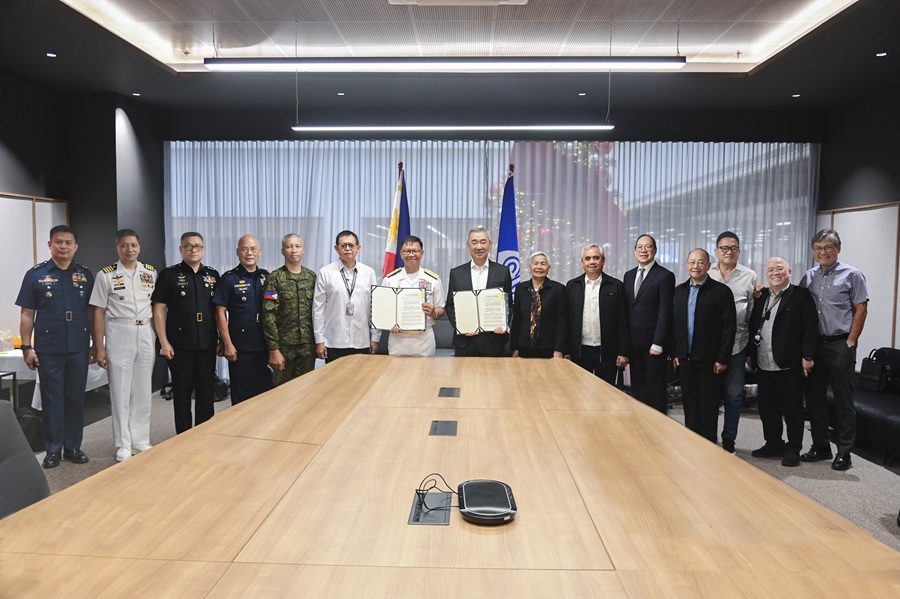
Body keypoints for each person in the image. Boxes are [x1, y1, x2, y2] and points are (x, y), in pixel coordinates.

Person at [16, 225, 95, 469]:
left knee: (75, 398)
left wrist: (95, 345)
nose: (63, 247)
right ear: (50, 244)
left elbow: (92, 313)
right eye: (58, 242)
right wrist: (26, 347)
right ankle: (52, 449)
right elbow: (27, 314)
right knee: (52, 399)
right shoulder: (36, 274)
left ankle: (73, 447)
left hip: (78, 346)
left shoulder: (85, 275)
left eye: (68, 243)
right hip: (49, 348)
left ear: (75, 246)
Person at [799, 229, 868, 470]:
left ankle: (844, 452)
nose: (823, 252)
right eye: (818, 248)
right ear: (813, 251)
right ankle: (821, 446)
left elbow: (861, 310)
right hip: (815, 345)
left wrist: (851, 341)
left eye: (828, 247)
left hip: (841, 343)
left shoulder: (853, 275)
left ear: (838, 249)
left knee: (843, 400)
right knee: (815, 398)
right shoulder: (809, 276)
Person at [89, 229, 157, 462]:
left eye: (134, 245)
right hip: (119, 331)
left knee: (143, 390)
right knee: (120, 390)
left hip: (145, 331)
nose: (130, 249)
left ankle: (141, 440)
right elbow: (98, 312)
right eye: (124, 245)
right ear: (117, 248)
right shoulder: (105, 275)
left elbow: (156, 308)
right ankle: (123, 444)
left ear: (139, 247)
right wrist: (99, 346)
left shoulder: (150, 272)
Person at [747, 257, 818, 467]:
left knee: (793, 410)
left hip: (790, 363)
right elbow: (753, 325)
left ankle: (793, 448)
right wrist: (751, 353)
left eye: (780, 268)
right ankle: (773, 443)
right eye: (770, 269)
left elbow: (810, 327)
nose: (775, 272)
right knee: (767, 408)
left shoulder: (801, 295)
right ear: (766, 274)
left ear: (789, 272)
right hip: (764, 361)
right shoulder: (761, 296)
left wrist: (808, 356)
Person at [152, 232, 221, 433]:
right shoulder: (169, 274)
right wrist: (164, 342)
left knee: (206, 390)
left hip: (207, 341)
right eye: (188, 246)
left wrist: (221, 339)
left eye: (198, 246)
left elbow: (219, 311)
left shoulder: (212, 275)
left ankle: (204, 433)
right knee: (182, 392)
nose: (193, 250)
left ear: (204, 249)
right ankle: (183, 435)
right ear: (181, 249)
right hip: (180, 343)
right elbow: (159, 309)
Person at [672, 249, 736, 444]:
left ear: (709, 266)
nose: (696, 266)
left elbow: (729, 328)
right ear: (686, 265)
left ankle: (709, 446)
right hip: (685, 359)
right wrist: (675, 353)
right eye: (692, 262)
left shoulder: (721, 292)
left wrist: (722, 358)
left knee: (708, 406)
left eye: (700, 262)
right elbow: (673, 325)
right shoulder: (679, 291)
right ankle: (692, 445)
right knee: (690, 405)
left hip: (711, 361)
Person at [708, 231, 758, 454]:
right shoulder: (706, 271)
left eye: (734, 248)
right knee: (709, 394)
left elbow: (752, 314)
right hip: (709, 346)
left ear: (739, 251)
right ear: (716, 251)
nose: (729, 252)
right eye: (724, 248)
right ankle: (708, 435)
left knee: (734, 395)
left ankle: (729, 438)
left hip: (738, 344)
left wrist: (751, 348)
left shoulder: (749, 276)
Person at [214, 234, 272, 403]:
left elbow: (274, 309)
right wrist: (227, 344)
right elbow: (220, 313)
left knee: (265, 393)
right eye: (244, 249)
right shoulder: (229, 278)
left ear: (260, 252)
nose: (249, 253)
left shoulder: (267, 277)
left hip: (264, 343)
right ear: (237, 252)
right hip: (240, 346)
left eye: (253, 249)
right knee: (242, 394)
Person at [623, 234, 675, 413]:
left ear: (655, 250)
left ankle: (658, 427)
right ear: (635, 251)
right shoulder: (629, 275)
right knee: (638, 392)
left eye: (648, 247)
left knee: (655, 393)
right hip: (634, 345)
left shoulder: (665, 276)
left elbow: (665, 312)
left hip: (654, 346)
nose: (643, 250)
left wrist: (658, 342)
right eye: (640, 247)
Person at [564, 243, 630, 384]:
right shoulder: (572, 285)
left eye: (596, 258)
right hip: (579, 352)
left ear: (603, 260)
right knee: (579, 391)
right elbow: (567, 321)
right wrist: (566, 350)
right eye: (587, 258)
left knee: (606, 392)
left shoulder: (616, 285)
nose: (592, 262)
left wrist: (623, 352)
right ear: (582, 262)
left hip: (607, 352)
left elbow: (623, 321)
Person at [445, 226, 513, 357]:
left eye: (483, 242)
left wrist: (503, 324)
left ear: (490, 244)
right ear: (468, 245)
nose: (479, 247)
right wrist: (461, 326)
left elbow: (509, 304)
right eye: (474, 242)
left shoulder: (503, 271)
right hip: (464, 341)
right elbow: (450, 305)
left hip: (494, 341)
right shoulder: (456, 273)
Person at [313, 230, 380, 363]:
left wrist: (375, 338)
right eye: (343, 245)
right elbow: (318, 309)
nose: (347, 249)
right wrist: (319, 340)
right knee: (334, 376)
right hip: (334, 341)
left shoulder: (369, 273)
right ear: (336, 248)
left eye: (351, 245)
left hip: (362, 340)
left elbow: (375, 308)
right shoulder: (325, 272)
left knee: (362, 376)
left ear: (358, 248)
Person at [263, 234, 317, 383]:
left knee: (306, 389)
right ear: (282, 251)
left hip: (307, 346)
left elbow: (318, 312)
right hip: (283, 347)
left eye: (297, 246)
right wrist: (274, 349)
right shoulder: (274, 278)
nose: (294, 250)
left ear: (303, 250)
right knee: (282, 391)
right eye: (289, 246)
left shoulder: (312, 277)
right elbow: (268, 315)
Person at [381, 235, 445, 357]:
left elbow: (441, 308)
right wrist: (388, 323)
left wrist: (433, 312)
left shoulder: (433, 279)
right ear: (401, 253)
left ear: (422, 253)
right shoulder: (390, 280)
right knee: (396, 369)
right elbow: (383, 309)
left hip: (424, 340)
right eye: (407, 251)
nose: (411, 254)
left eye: (415, 251)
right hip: (398, 339)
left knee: (425, 370)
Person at [510, 251, 566, 359]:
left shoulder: (558, 289)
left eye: (543, 264)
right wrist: (514, 347)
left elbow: (562, 322)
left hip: (548, 348)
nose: (539, 267)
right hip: (523, 347)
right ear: (529, 267)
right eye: (535, 263)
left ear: (548, 268)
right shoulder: (521, 289)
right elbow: (517, 319)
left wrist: (559, 349)